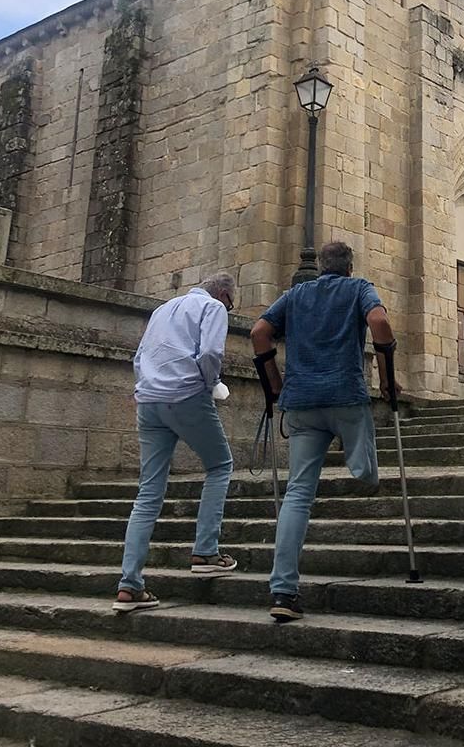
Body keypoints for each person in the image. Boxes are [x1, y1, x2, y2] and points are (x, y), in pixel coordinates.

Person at [251, 240, 397, 623]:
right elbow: (380, 323)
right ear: (349, 267)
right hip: (345, 396)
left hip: (301, 402)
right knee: (367, 470)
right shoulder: (359, 288)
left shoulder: (296, 294)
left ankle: (283, 590)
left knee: (298, 494)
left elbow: (259, 332)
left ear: (319, 267)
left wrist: (274, 383)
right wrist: (387, 380)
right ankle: (361, 469)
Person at [113, 272, 238, 612]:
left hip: (149, 400)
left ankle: (130, 585)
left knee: (149, 490)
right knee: (220, 465)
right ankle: (206, 552)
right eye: (231, 302)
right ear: (224, 294)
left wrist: (149, 387)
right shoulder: (213, 308)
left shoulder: (163, 309)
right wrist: (209, 385)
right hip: (185, 394)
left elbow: (140, 357)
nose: (228, 307)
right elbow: (211, 352)